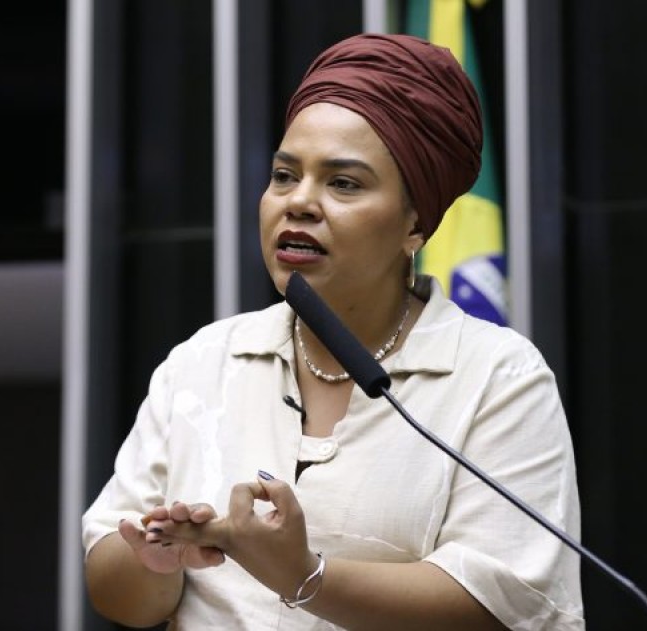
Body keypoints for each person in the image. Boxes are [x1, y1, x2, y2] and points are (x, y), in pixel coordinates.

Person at [82, 33, 584, 630]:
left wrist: (304, 575)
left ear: (416, 224)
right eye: (283, 175)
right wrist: (154, 560)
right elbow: (118, 591)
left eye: (343, 183)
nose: (298, 202)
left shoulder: (498, 376)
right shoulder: (203, 361)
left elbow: (507, 605)